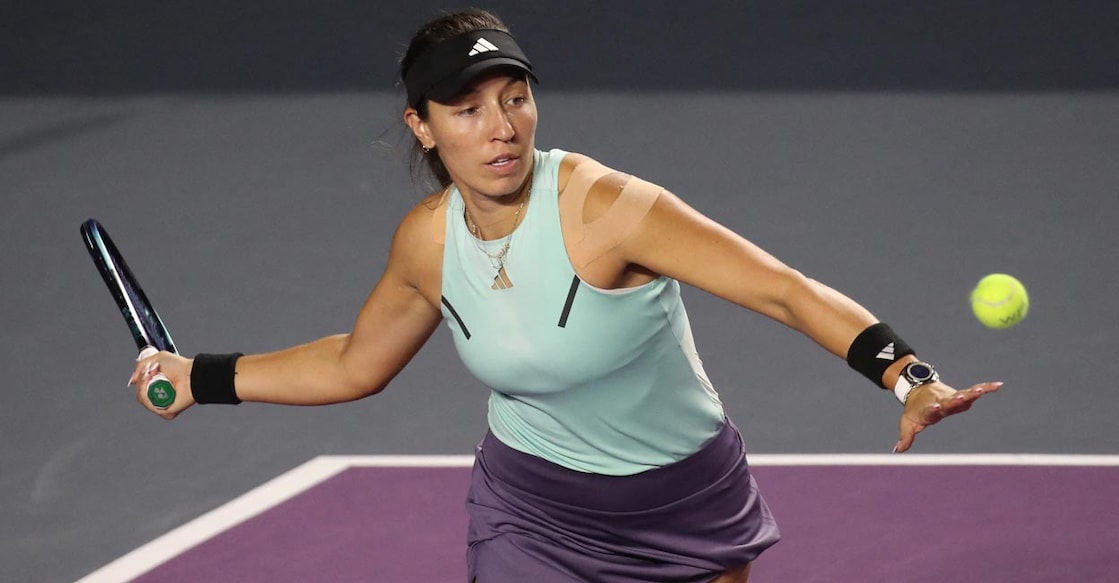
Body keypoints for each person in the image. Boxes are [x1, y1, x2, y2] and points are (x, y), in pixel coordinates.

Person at [129, 8, 1000, 583]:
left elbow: (782, 291)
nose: (501, 128)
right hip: (530, 505)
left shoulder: (608, 208)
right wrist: (197, 377)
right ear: (421, 127)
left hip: (685, 501)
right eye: (467, 110)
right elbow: (359, 362)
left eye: (514, 99)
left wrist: (907, 376)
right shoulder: (428, 241)